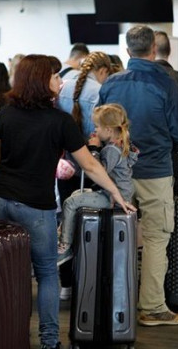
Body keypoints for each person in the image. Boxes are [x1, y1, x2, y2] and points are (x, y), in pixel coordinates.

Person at [0, 54, 134, 349]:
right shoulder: (60, 121)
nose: (61, 82)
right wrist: (116, 193)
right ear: (42, 81)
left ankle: (5, 336)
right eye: (56, 76)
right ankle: (49, 341)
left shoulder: (4, 116)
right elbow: (91, 165)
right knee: (47, 273)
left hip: (0, 201)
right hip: (35, 206)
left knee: (7, 273)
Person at [99, 25, 178, 327]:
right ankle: (151, 307)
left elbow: (102, 127)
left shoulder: (111, 84)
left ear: (128, 51)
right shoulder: (166, 83)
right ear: (154, 50)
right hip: (155, 172)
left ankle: (113, 304)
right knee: (155, 238)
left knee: (116, 238)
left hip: (115, 173)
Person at [55, 50, 113, 300]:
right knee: (90, 227)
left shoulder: (63, 88)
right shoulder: (100, 94)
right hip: (89, 171)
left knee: (65, 226)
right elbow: (99, 138)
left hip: (64, 170)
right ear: (102, 71)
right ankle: (87, 283)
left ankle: (65, 284)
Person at [57, 103, 138, 264]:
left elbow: (99, 171)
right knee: (76, 195)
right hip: (120, 193)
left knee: (70, 202)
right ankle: (65, 232)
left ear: (108, 130)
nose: (94, 131)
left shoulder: (111, 150)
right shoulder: (121, 145)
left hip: (113, 198)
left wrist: (93, 149)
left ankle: (64, 246)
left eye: (97, 127)